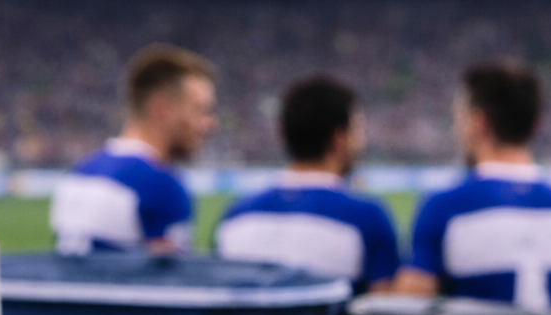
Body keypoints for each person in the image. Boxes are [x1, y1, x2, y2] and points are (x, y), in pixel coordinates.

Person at [395, 61, 551, 311]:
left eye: (459, 119)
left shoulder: (443, 208)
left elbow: (406, 314)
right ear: (535, 125)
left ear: (478, 123)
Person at [215, 76, 399, 292]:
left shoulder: (235, 216)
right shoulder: (367, 218)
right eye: (358, 131)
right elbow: (382, 305)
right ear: (339, 139)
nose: (362, 142)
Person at [50, 45, 217, 255]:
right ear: (162, 109)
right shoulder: (161, 186)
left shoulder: (79, 173)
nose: (210, 124)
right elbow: (174, 274)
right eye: (200, 110)